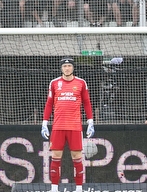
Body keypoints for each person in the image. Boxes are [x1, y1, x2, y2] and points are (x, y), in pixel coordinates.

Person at [42, 57, 95, 192]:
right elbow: (49, 104)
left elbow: (87, 103)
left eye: (69, 66)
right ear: (61, 68)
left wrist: (90, 122)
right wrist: (44, 123)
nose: (67, 68)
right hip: (58, 127)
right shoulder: (54, 83)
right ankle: (54, 188)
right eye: (65, 66)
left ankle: (79, 189)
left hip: (75, 127)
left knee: (77, 158)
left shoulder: (81, 83)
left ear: (73, 68)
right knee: (55, 157)